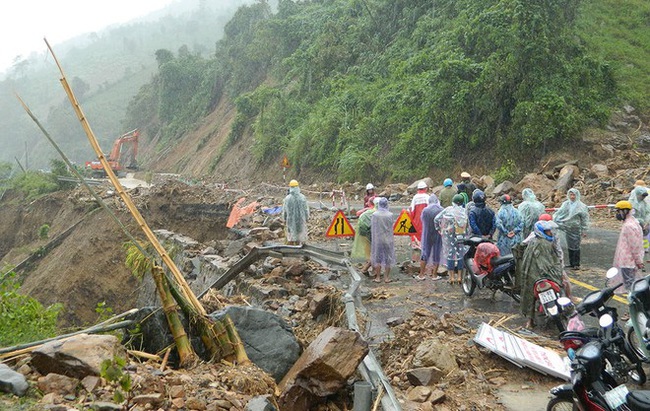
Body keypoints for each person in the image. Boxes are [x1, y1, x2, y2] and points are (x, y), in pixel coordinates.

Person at [520, 220, 564, 329]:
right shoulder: (545, 244)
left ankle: (530, 320)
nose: (550, 233)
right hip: (541, 274)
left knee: (529, 296)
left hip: (532, 275)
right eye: (547, 231)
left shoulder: (533, 242)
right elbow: (552, 261)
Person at [611, 200, 645, 292]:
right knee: (631, 284)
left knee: (630, 286)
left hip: (628, 261)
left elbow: (635, 246)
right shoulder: (631, 222)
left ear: (625, 211)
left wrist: (638, 261)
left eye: (618, 211)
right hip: (627, 261)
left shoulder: (629, 226)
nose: (617, 214)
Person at [434, 194, 468, 284]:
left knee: (450, 255)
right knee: (461, 255)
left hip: (449, 237)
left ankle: (452, 277)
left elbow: (436, 219)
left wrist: (439, 229)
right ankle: (460, 277)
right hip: (461, 236)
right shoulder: (464, 211)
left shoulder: (448, 210)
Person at [553, 188, 589, 269]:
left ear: (577, 195)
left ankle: (576, 264)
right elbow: (560, 213)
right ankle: (571, 263)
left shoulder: (581, 206)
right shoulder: (566, 204)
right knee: (570, 245)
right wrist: (556, 219)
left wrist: (584, 230)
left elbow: (584, 218)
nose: (572, 196)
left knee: (576, 245)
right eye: (571, 195)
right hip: (567, 228)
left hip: (576, 228)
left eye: (574, 195)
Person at [415, 193, 444, 281]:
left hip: (427, 233)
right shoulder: (441, 209)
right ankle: (434, 275)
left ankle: (421, 274)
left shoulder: (425, 210)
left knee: (425, 252)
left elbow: (422, 219)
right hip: (437, 233)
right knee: (437, 253)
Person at [370, 197, 396, 283]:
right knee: (388, 258)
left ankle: (377, 277)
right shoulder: (390, 215)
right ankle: (386, 278)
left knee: (378, 258)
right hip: (388, 239)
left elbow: (373, 227)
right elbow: (391, 227)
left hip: (378, 239)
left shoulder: (375, 215)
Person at [351, 196, 378, 275]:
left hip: (364, 233)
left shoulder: (367, 211)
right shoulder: (376, 212)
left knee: (369, 252)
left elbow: (358, 214)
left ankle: (373, 270)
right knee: (374, 253)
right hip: (371, 234)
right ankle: (367, 269)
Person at [282, 180, 309, 245]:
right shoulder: (302, 197)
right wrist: (307, 218)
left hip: (290, 221)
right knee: (301, 237)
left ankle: (291, 251)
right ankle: (301, 251)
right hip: (301, 221)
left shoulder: (287, 199)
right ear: (298, 187)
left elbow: (285, 211)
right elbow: (306, 210)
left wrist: (284, 219)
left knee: (291, 237)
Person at [409, 181, 430, 262]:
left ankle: (415, 261)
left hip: (416, 224)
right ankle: (425, 261)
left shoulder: (415, 197)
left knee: (416, 244)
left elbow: (412, 211)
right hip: (425, 223)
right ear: (425, 188)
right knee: (426, 243)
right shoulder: (427, 197)